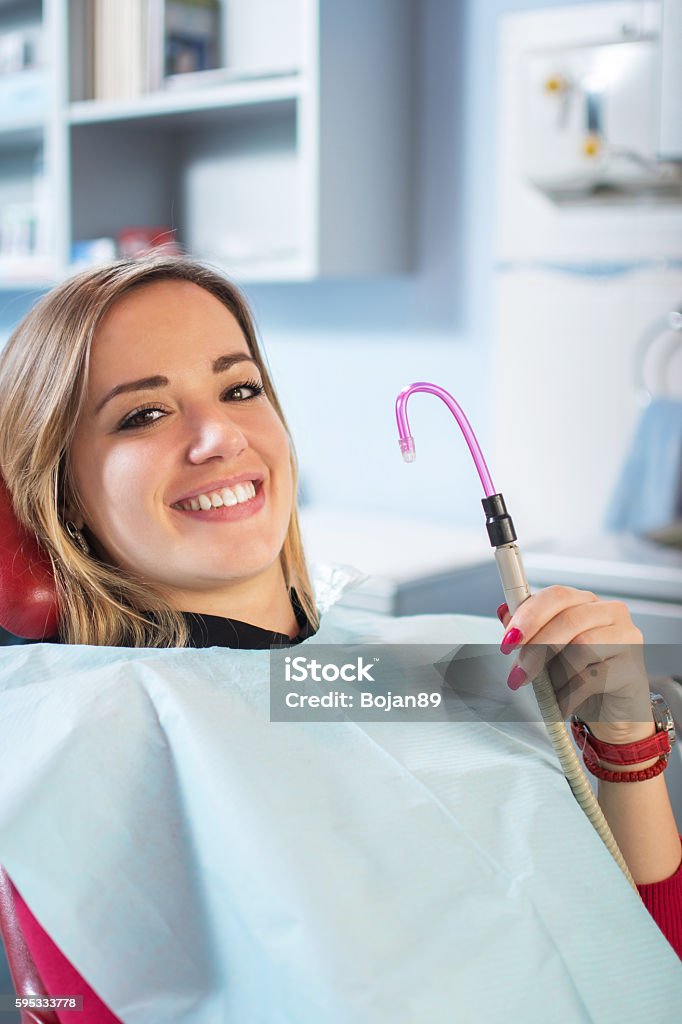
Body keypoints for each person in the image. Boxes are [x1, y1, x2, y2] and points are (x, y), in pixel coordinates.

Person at [0, 256, 679, 1022]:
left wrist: (626, 751)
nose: (219, 434)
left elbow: (642, 966)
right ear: (60, 493)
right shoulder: (88, 752)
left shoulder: (435, 663)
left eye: (240, 388)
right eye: (143, 415)